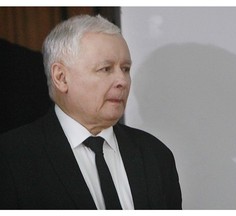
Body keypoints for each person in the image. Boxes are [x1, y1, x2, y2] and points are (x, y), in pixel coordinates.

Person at [0, 14, 182, 210]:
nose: (122, 81)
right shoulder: (12, 158)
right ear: (61, 78)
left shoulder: (155, 155)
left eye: (126, 68)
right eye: (106, 69)